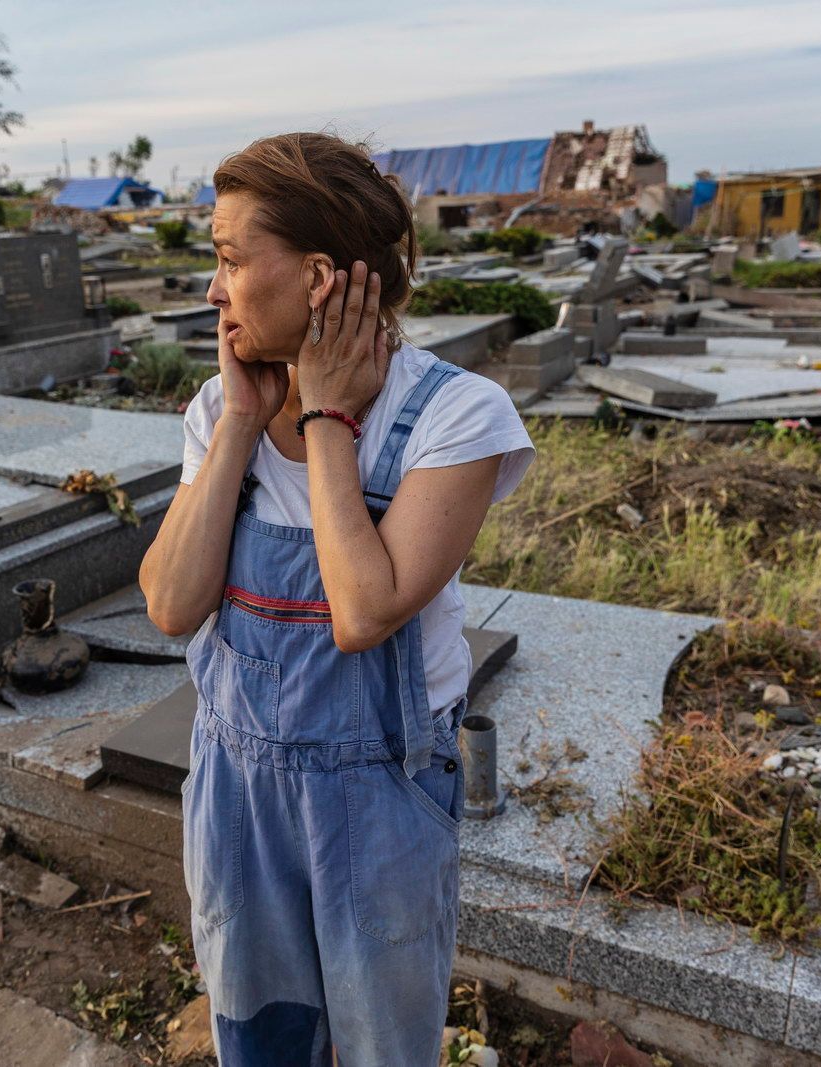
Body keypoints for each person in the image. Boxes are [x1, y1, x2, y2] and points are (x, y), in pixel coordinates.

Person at [139, 131, 534, 1065]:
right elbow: (169, 603)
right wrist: (243, 420)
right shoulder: (217, 407)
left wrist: (325, 418)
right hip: (237, 786)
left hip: (380, 795)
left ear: (318, 278)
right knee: (259, 1028)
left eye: (232, 260)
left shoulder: (453, 415)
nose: (213, 289)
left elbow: (364, 611)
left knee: (378, 1044)